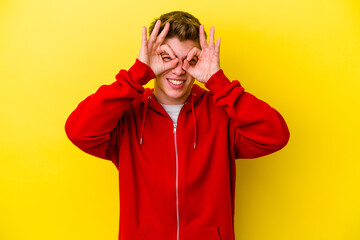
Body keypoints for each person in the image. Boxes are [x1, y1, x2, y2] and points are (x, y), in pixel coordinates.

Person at [65, 11, 290, 240]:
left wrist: (218, 82)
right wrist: (136, 75)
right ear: (151, 58)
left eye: (190, 60)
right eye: (167, 58)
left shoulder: (221, 114)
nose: (179, 69)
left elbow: (276, 135)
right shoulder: (129, 115)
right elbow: (78, 131)